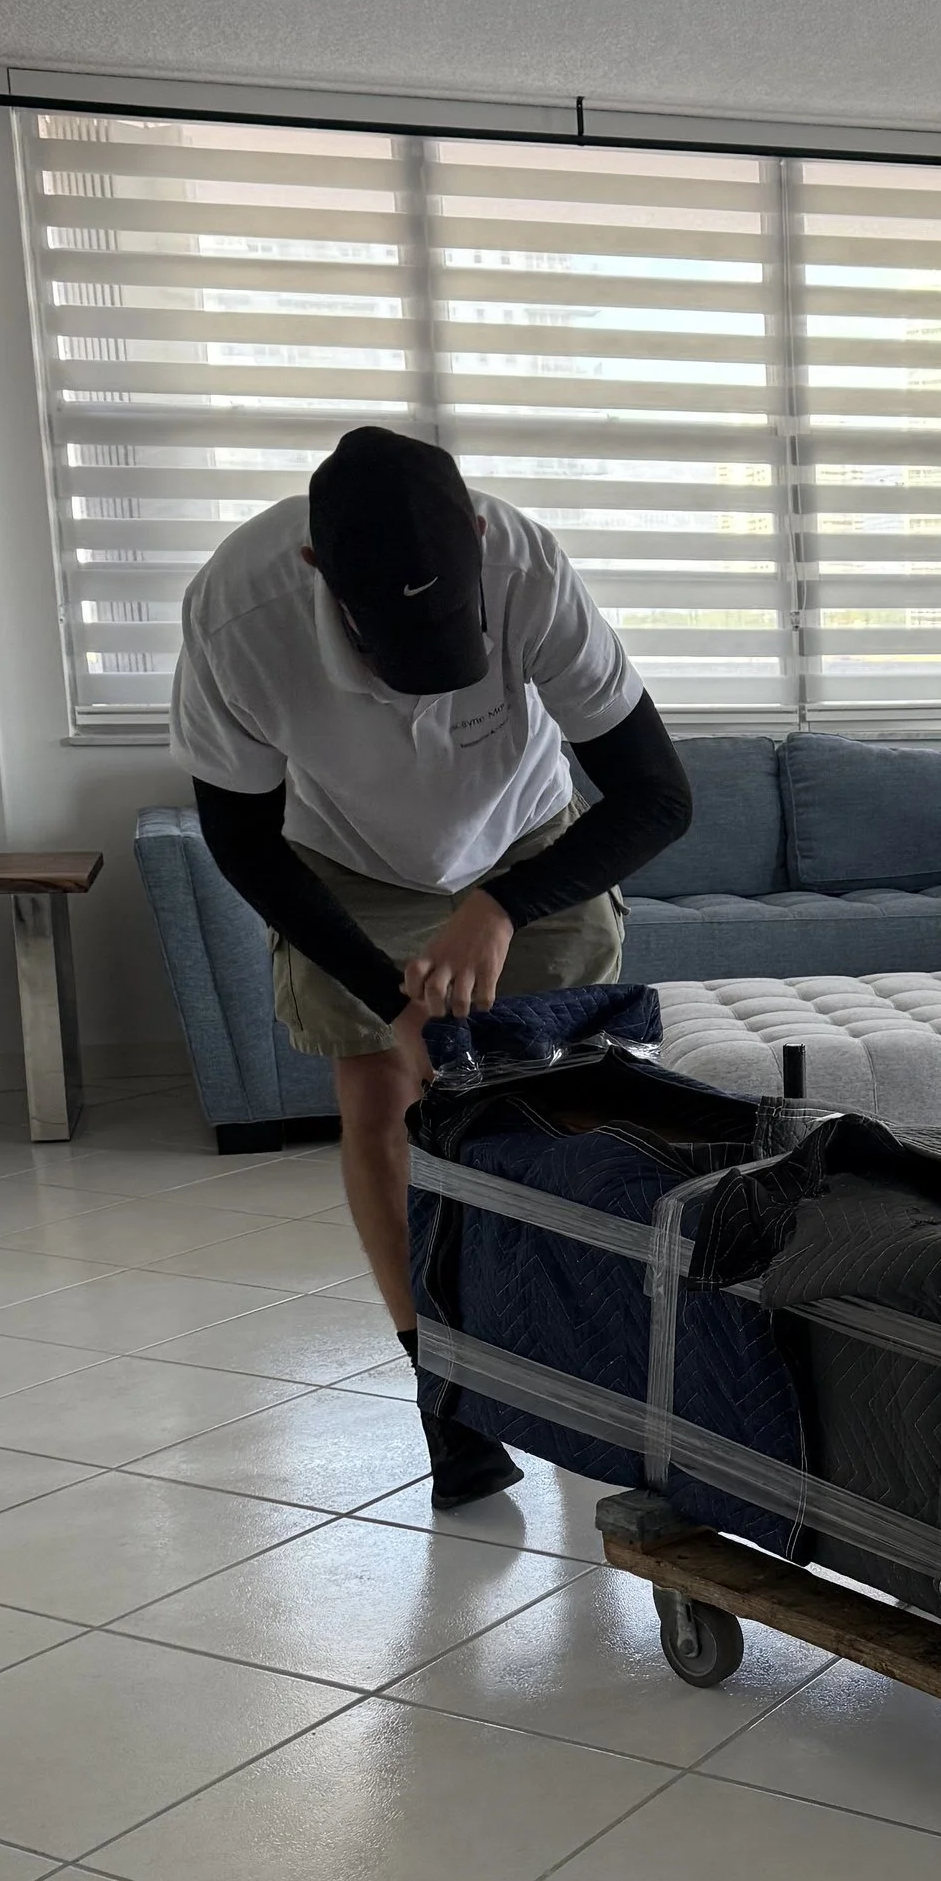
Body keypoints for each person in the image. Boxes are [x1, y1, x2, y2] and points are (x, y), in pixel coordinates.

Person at [172, 425, 692, 1504]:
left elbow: (657, 795)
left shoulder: (532, 568)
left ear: (481, 539)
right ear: (322, 575)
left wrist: (500, 906)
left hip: (528, 845)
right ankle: (443, 1382)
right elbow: (240, 839)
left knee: (570, 1103)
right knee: (381, 1103)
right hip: (341, 857)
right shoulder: (236, 614)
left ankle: (582, 1348)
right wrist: (383, 996)